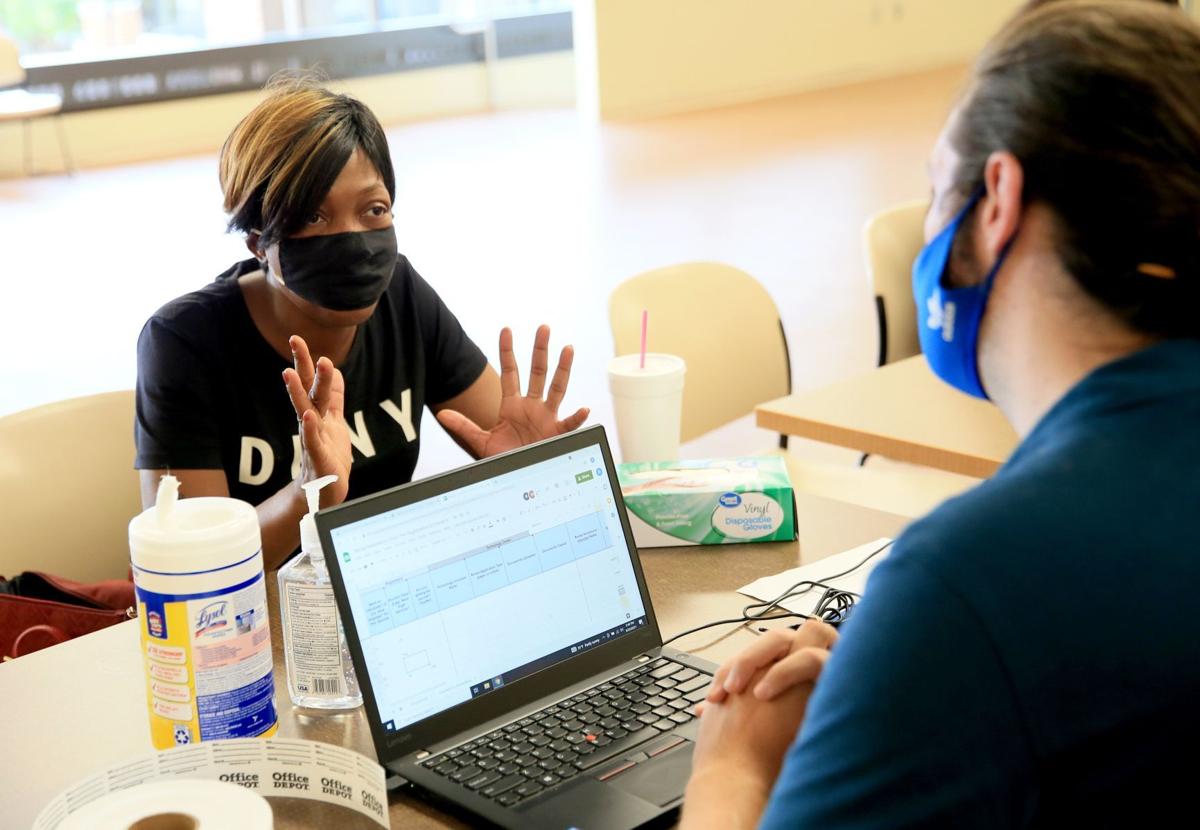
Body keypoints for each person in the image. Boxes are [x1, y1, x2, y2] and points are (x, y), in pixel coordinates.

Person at [681, 1, 1200, 826]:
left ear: (997, 199)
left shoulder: (969, 581)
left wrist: (733, 766)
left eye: (936, 187)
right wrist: (891, 680)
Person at [135, 77, 588, 569]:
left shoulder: (402, 294)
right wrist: (308, 495)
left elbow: (511, 445)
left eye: (373, 209)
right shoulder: (184, 342)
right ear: (258, 242)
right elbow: (188, 563)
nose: (352, 242)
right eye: (313, 216)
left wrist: (532, 468)